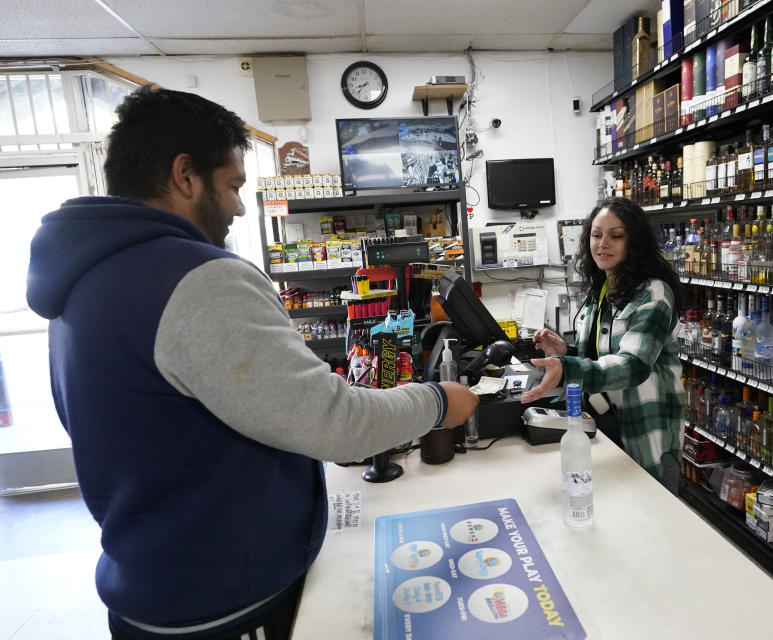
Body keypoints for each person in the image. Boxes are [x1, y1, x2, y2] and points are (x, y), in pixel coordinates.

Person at [25, 85, 478, 640]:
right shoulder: (194, 277)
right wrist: (437, 402)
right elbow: (332, 423)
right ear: (185, 174)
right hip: (224, 599)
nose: (241, 206)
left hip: (148, 584)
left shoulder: (80, 281)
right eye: (234, 186)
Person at [522, 197, 685, 483]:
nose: (602, 243)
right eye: (596, 235)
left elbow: (633, 364)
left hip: (646, 438)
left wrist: (568, 368)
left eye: (616, 236)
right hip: (605, 429)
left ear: (634, 242)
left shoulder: (654, 293)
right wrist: (566, 351)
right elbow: (602, 355)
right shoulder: (602, 290)